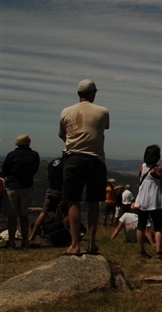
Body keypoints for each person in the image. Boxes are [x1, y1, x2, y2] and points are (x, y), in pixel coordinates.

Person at [59, 79, 110, 256]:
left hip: (73, 158)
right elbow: (102, 129)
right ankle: (92, 244)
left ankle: (74, 244)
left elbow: (62, 135)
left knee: (73, 201)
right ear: (92, 93)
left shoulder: (65, 111)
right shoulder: (102, 111)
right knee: (94, 203)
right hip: (95, 160)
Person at [0, 134, 40, 250]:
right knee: (24, 215)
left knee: (12, 216)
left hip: (12, 186)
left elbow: (5, 170)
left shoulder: (12, 155)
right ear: (28, 143)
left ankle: (11, 241)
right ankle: (25, 240)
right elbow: (35, 169)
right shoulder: (34, 155)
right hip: (26, 186)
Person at [135, 145, 162, 260]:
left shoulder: (142, 166)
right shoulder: (159, 169)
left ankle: (141, 251)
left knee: (141, 226)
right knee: (158, 227)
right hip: (154, 200)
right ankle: (159, 253)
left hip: (142, 199)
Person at [29, 153, 66, 242]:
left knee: (44, 212)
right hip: (61, 191)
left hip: (50, 190)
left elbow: (48, 175)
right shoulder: (67, 163)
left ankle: (32, 236)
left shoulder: (53, 162)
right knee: (65, 214)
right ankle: (69, 236)